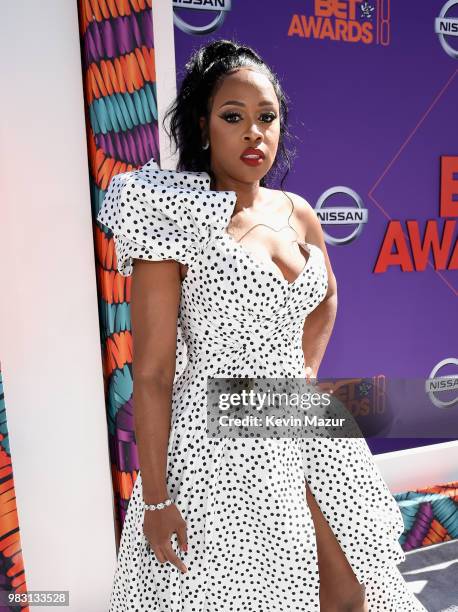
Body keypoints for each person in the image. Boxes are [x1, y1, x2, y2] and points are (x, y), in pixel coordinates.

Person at [97, 39, 427, 612]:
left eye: (266, 117)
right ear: (203, 127)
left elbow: (326, 295)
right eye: (234, 117)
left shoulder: (295, 209)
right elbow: (150, 374)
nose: (254, 133)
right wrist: (154, 502)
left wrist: (303, 370)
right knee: (251, 597)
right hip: (217, 445)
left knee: (350, 592)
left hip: (297, 418)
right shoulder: (174, 215)